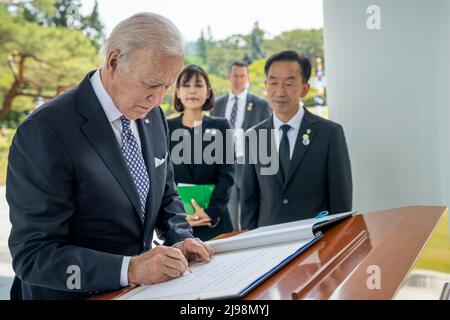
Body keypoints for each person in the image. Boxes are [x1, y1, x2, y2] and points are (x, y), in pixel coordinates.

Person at [7, 13, 213, 300]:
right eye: (151, 84)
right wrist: (129, 269)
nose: (159, 100)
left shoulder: (153, 117)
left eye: (167, 86)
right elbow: (33, 256)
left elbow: (166, 195)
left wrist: (182, 237)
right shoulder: (44, 131)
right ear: (114, 61)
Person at [241, 50, 352, 229]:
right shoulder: (255, 136)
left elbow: (341, 201)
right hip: (269, 243)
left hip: (317, 241)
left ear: (305, 89)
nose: (280, 91)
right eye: (273, 82)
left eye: (289, 84)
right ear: (265, 85)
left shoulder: (329, 133)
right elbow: (248, 201)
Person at [168, 65, 234, 241]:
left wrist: (210, 213)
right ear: (178, 92)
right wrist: (179, 215)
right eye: (186, 85)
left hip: (216, 224)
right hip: (179, 225)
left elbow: (227, 176)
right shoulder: (166, 128)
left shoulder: (221, 126)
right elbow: (163, 180)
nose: (192, 91)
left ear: (208, 92)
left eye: (198, 85)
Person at [211, 61, 271, 230]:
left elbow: (266, 138)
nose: (238, 79)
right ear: (229, 77)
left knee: (249, 210)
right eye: (235, 75)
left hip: (248, 165)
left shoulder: (261, 104)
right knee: (228, 212)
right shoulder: (218, 104)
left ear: (248, 78)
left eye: (242, 75)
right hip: (225, 165)